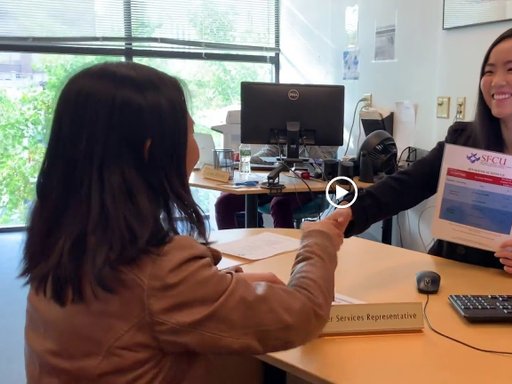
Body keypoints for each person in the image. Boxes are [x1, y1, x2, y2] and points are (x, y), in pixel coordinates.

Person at [20, 61, 350, 383]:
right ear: (151, 150)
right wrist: (319, 242)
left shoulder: (64, 239)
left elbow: (143, 306)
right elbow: (302, 316)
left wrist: (224, 284)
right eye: (191, 132)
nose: (195, 146)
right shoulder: (159, 270)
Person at [338, 26, 512, 278]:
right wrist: (347, 215)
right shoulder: (466, 139)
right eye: (489, 71)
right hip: (449, 282)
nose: (496, 81)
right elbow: (407, 185)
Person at [215, 145, 337, 229]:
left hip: (311, 184)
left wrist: (304, 137)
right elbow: (269, 152)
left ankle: (288, 257)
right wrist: (246, 158)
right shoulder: (286, 119)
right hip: (279, 181)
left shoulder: (326, 123)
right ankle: (232, 257)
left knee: (280, 203)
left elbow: (325, 161)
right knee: (224, 202)